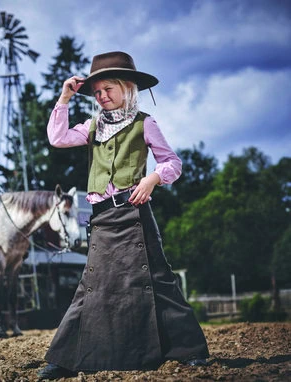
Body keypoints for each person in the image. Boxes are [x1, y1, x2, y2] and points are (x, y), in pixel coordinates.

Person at [37, 51, 209, 379]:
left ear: (128, 88)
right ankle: (65, 359)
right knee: (91, 286)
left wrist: (153, 178)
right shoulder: (92, 127)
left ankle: (189, 350)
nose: (102, 97)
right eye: (97, 92)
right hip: (102, 220)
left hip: (135, 214)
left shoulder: (146, 123)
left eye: (108, 89)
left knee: (158, 279)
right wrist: (64, 97)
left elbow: (173, 162)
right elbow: (56, 138)